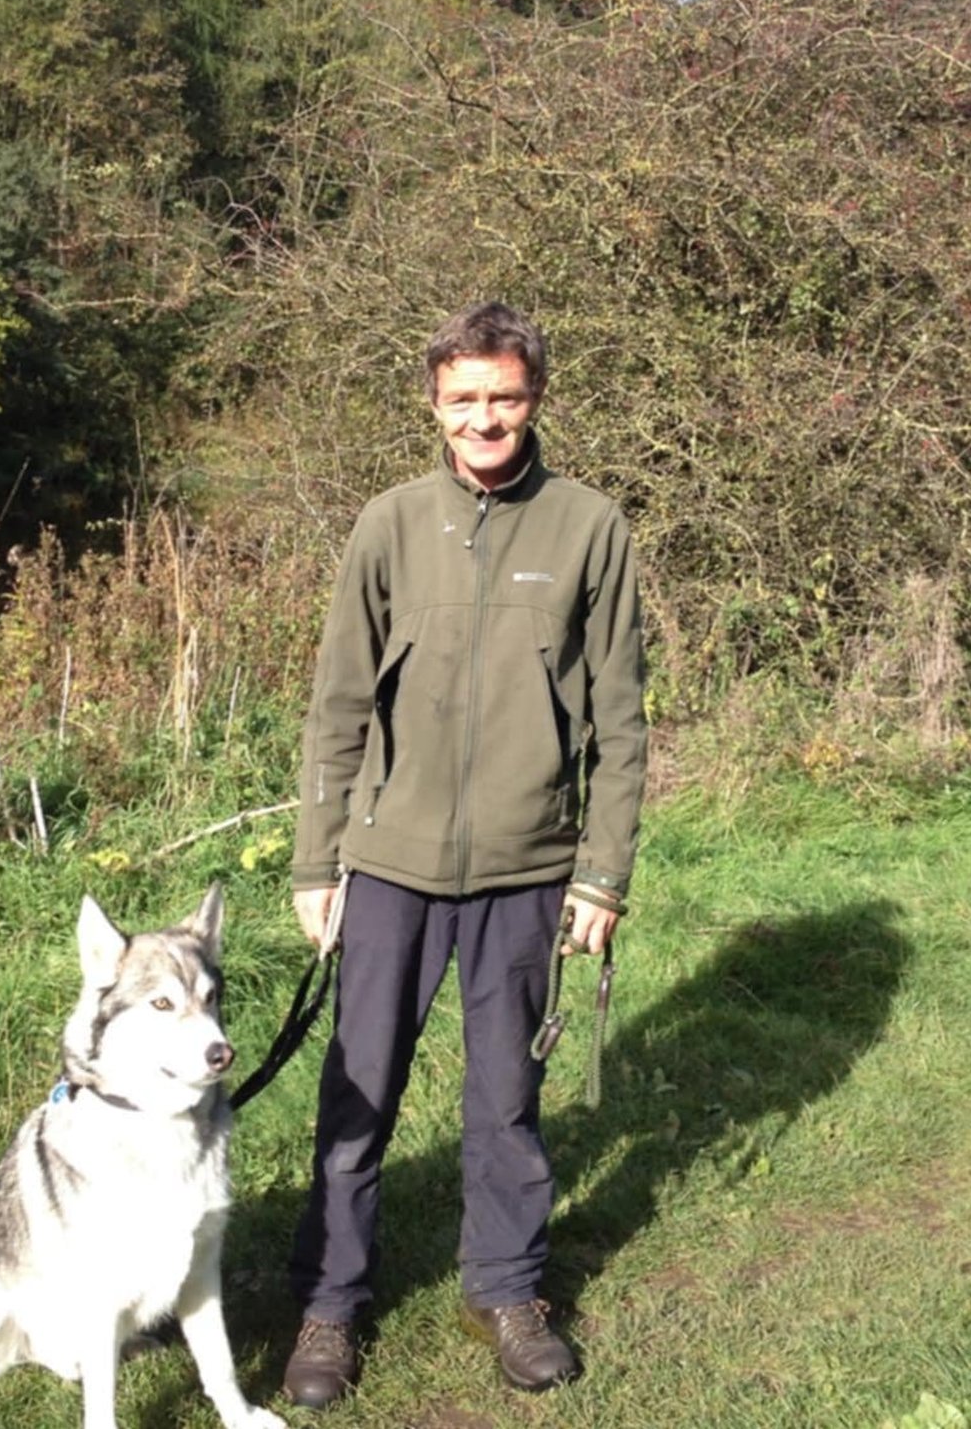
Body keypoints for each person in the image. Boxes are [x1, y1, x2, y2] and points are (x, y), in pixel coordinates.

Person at [281, 301, 647, 1407]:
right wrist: (315, 862)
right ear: (432, 404)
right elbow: (336, 703)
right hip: (386, 868)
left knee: (504, 1105)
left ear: (534, 400)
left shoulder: (589, 526)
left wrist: (602, 871)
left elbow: (622, 722)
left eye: (503, 397)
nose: (482, 418)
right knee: (358, 1101)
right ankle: (328, 1306)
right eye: (462, 400)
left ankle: (506, 1288)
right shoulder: (388, 524)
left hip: (528, 872)